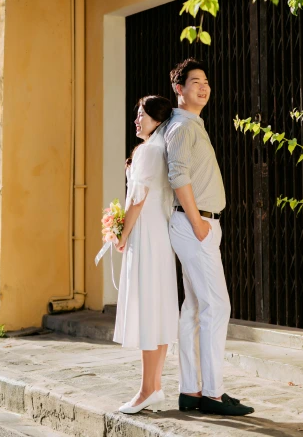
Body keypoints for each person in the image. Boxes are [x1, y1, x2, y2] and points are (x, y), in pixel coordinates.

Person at [165, 58, 254, 416]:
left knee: (196, 308)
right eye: (195, 81)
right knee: (217, 306)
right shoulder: (184, 127)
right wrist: (198, 222)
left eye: (206, 82)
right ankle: (214, 394)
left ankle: (192, 391)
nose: (203, 87)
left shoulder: (188, 124)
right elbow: (177, 174)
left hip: (195, 224)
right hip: (195, 224)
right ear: (179, 88)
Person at [113, 95, 178, 415]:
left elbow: (136, 199)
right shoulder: (160, 149)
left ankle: (147, 389)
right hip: (157, 236)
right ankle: (153, 387)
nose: (136, 120)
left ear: (157, 118)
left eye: (142, 115)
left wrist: (121, 233)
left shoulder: (150, 151)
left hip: (146, 238)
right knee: (157, 309)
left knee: (148, 310)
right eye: (136, 115)